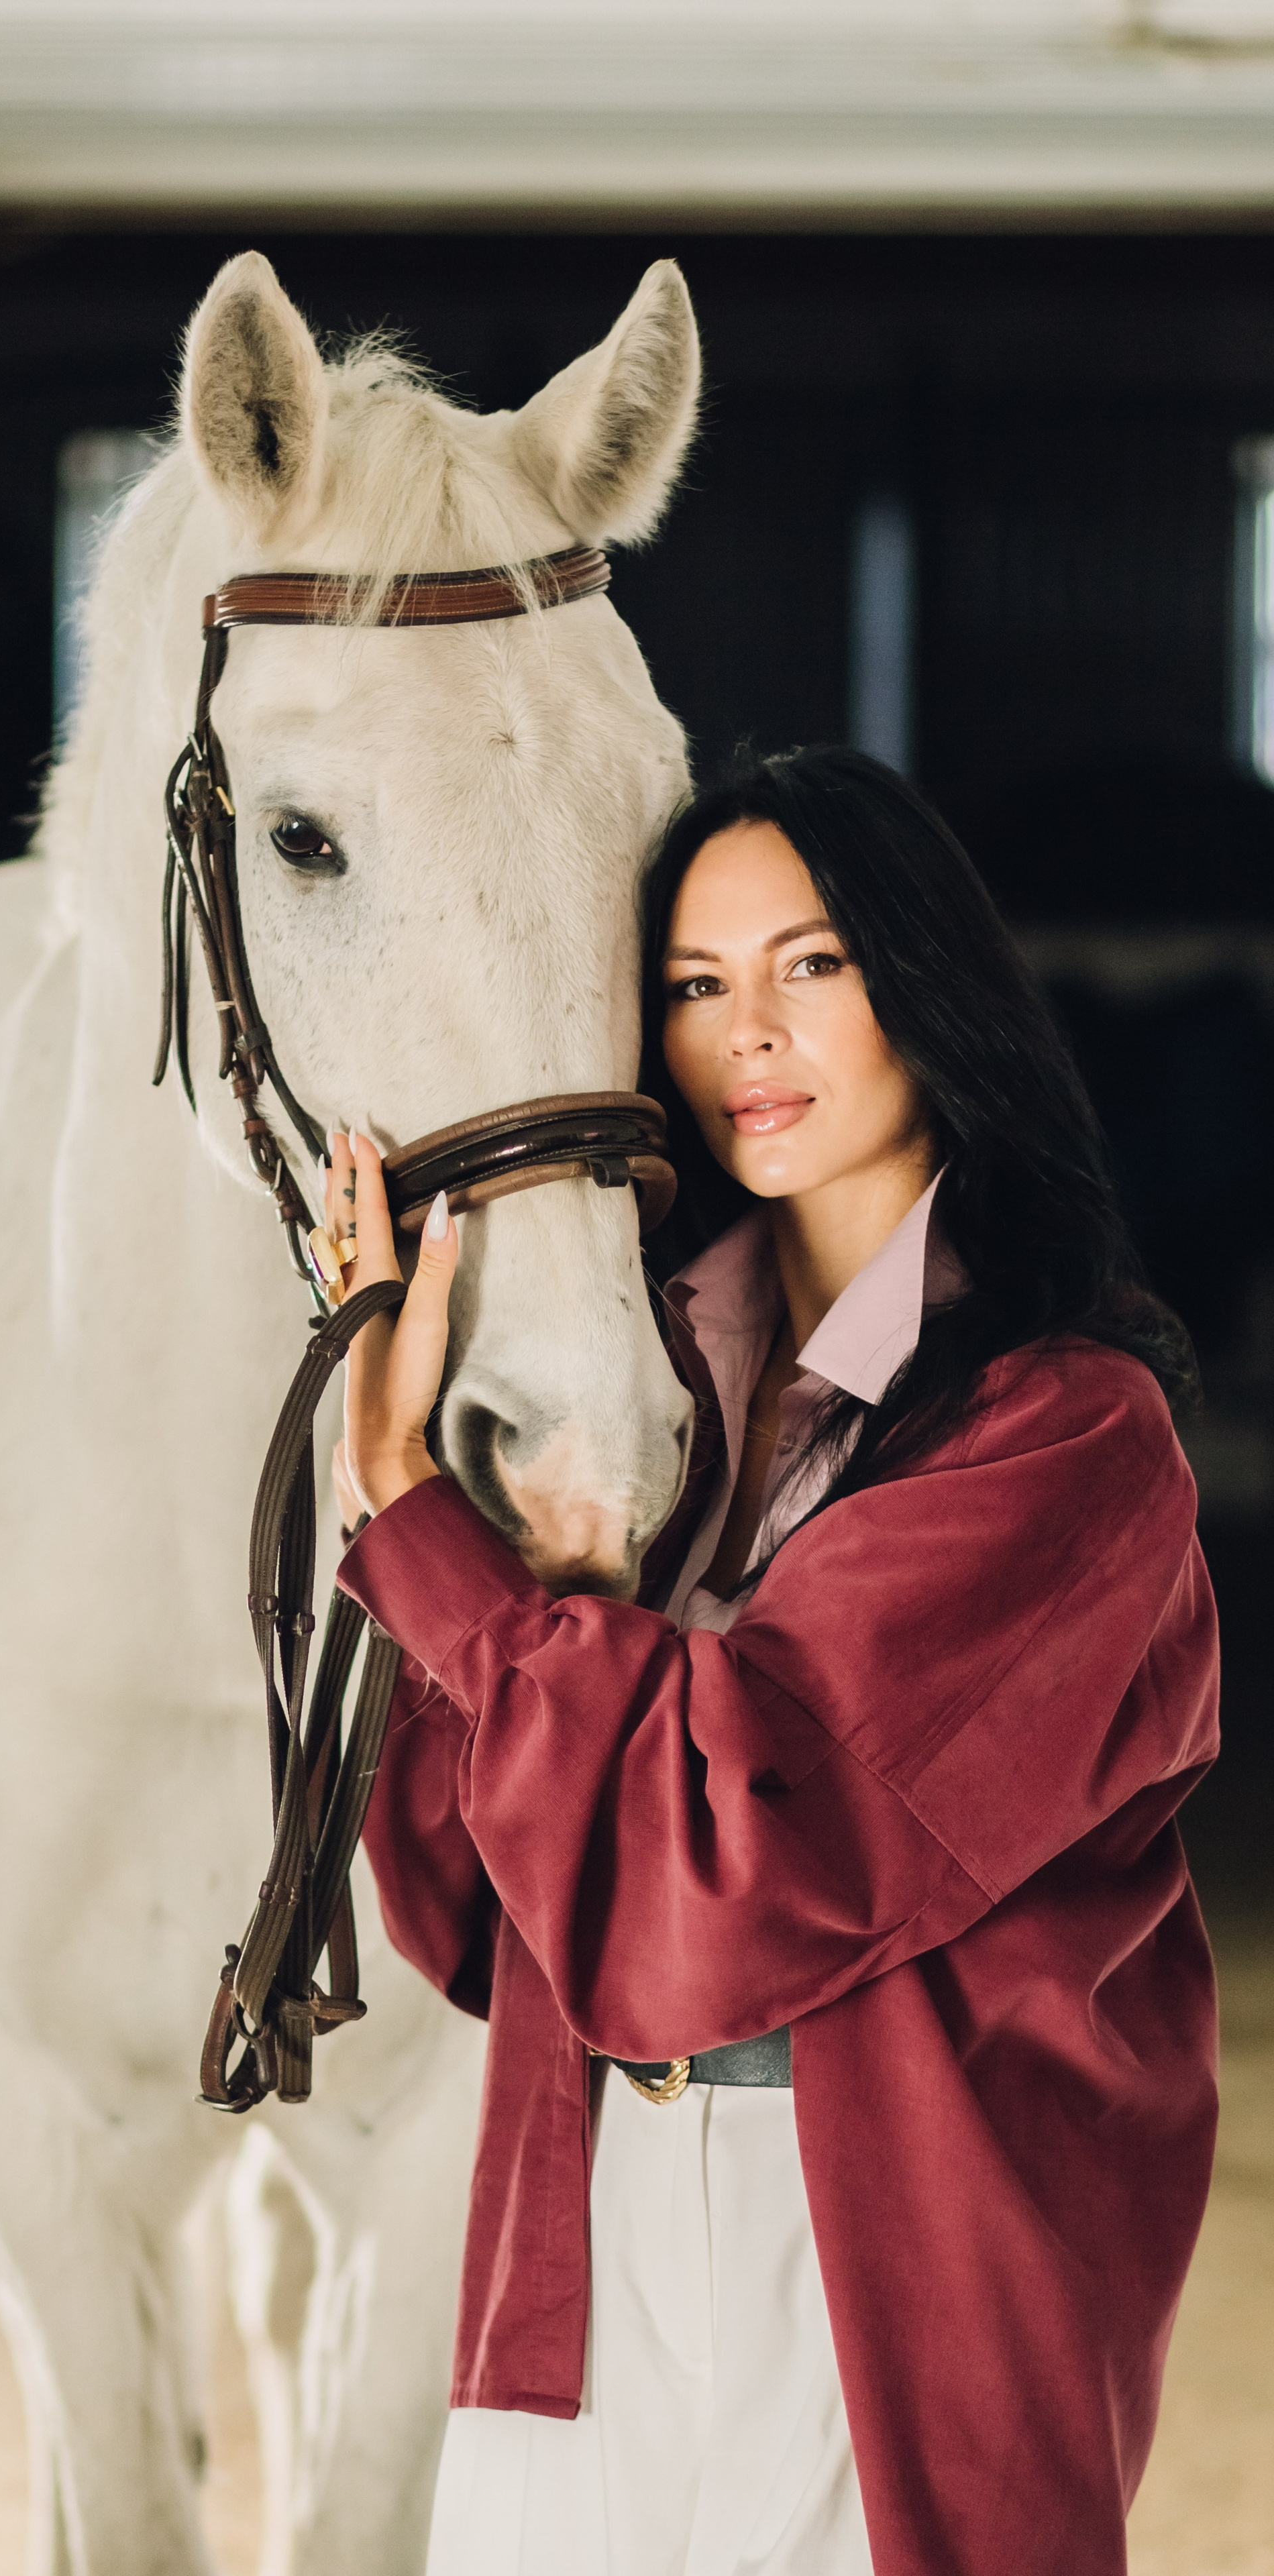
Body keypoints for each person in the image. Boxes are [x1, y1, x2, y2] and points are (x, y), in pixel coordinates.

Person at [321, 746, 1220, 2576]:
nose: (751, 1032)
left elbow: (744, 1867)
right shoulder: (633, 1407)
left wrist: (425, 1529)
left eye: (813, 964)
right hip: (587, 2215)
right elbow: (476, 1908)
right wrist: (471, 1480)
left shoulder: (1066, 1438)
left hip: (875, 2254)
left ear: (928, 983)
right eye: (694, 982)